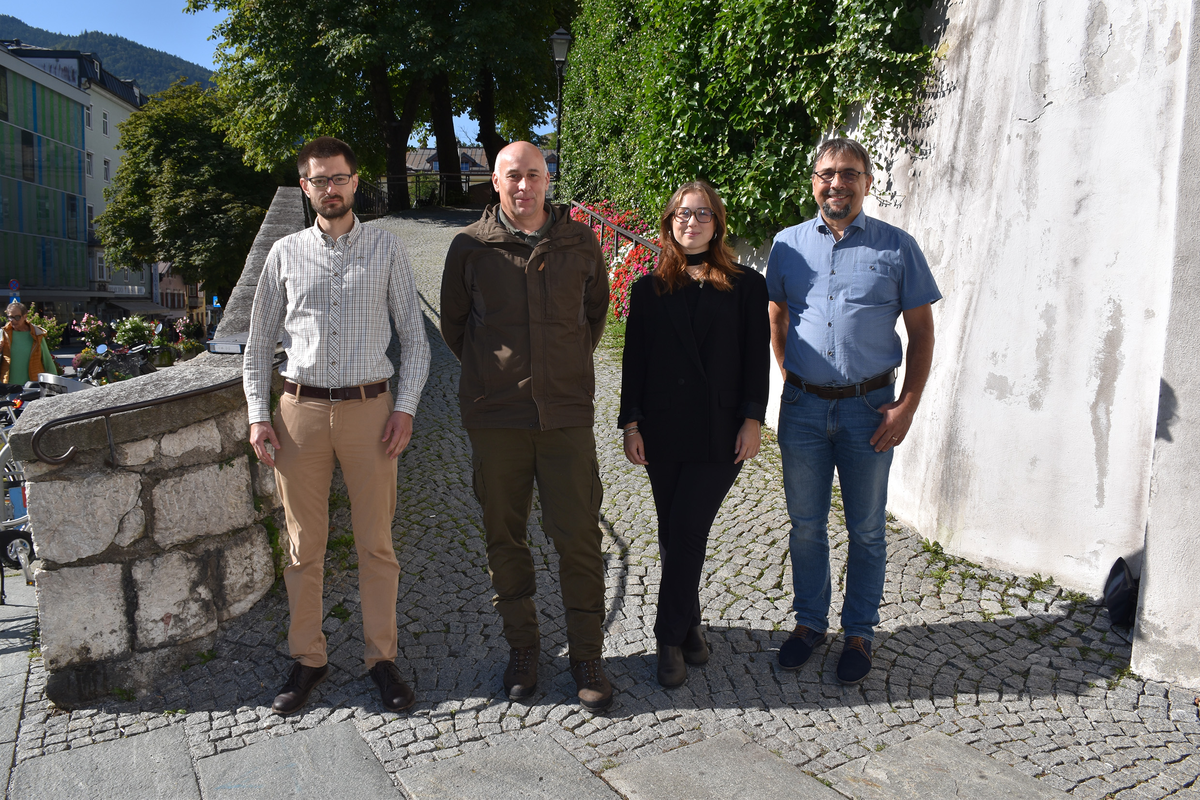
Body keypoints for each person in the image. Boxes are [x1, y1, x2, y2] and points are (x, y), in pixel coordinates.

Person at [244, 136, 431, 715]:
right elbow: (256, 347)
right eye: (319, 179)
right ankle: (308, 658)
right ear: (305, 187)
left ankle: (382, 660)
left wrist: (405, 407)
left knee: (377, 544)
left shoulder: (386, 249)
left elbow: (416, 340)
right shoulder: (283, 254)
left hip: (371, 412)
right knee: (304, 545)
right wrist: (257, 414)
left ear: (355, 181)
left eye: (340, 178)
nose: (331, 188)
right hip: (298, 414)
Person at [441, 141, 613, 711]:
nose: (524, 186)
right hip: (498, 420)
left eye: (533, 175)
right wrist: (500, 378)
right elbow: (455, 328)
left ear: (547, 179)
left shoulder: (580, 242)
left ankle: (588, 654)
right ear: (495, 180)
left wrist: (557, 372)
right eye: (513, 176)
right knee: (504, 539)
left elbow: (594, 317)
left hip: (565, 417)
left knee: (580, 539)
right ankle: (524, 649)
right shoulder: (470, 247)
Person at [766, 137, 940, 685]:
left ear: (867, 182)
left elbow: (921, 332)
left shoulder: (897, 247)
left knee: (866, 529)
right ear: (813, 181)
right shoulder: (787, 245)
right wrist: (792, 377)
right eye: (826, 174)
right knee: (806, 524)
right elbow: (777, 317)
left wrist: (907, 405)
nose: (835, 183)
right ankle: (810, 624)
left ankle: (860, 630)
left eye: (848, 173)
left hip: (871, 409)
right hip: (803, 411)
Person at [618, 181, 769, 688]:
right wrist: (631, 423)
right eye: (683, 213)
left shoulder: (747, 285)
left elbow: (755, 359)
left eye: (702, 213)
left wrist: (753, 418)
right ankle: (692, 627)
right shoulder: (648, 288)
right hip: (662, 431)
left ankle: (666, 636)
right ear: (669, 222)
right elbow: (633, 362)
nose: (692, 221)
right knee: (674, 533)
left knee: (685, 528)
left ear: (717, 223)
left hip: (721, 432)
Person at [1, 303, 58, 385]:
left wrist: (54, 382)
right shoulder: (3, 333)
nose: (12, 320)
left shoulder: (37, 334)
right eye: (10, 317)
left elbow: (47, 361)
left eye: (17, 317)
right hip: (8, 386)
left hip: (32, 386)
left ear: (25, 316)